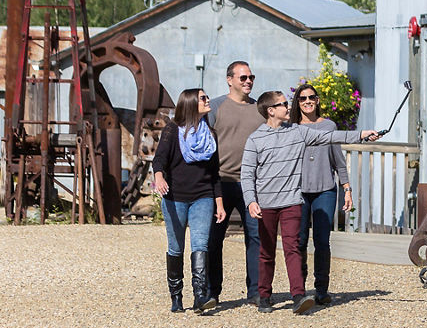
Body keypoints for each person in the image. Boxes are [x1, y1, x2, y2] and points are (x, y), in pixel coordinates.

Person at [241, 91, 378, 314]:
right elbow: (247, 174)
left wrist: (362, 134)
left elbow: (331, 137)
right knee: (266, 250)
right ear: (271, 111)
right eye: (283, 104)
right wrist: (251, 201)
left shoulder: (298, 132)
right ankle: (264, 295)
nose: (288, 106)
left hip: (292, 201)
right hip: (265, 203)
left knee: (292, 247)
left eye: (287, 102)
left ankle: (298, 295)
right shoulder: (255, 139)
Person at [152, 88, 227, 313]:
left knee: (201, 245)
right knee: (176, 247)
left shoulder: (210, 134)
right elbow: (159, 160)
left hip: (203, 198)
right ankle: (176, 296)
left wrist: (219, 202)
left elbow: (214, 172)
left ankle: (200, 296)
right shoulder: (172, 130)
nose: (207, 100)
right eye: (203, 98)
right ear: (191, 103)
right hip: (175, 198)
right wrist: (159, 178)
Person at [289, 83, 353, 305]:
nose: (307, 101)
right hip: (298, 191)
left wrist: (347, 189)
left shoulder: (329, 126)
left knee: (322, 240)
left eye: (311, 97)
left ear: (317, 101)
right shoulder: (291, 128)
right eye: (302, 98)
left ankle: (321, 288)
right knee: (299, 241)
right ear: (297, 102)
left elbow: (339, 161)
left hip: (325, 189)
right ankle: (300, 289)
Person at [208, 61, 265, 306]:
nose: (248, 81)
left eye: (251, 77)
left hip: (252, 184)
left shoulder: (261, 110)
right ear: (229, 80)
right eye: (243, 78)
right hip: (221, 182)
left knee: (256, 238)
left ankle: (255, 291)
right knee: (213, 239)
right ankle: (212, 292)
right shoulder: (216, 108)